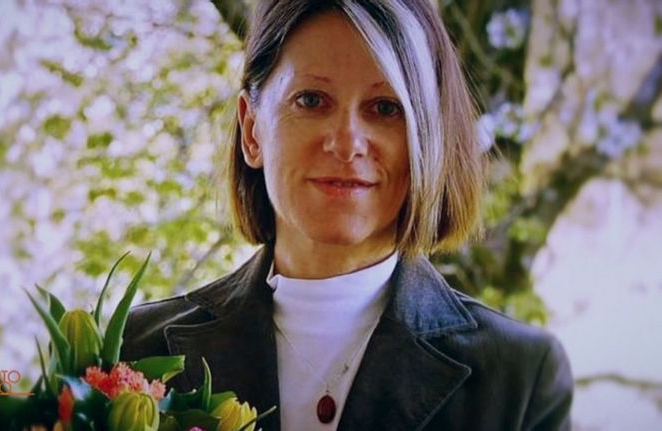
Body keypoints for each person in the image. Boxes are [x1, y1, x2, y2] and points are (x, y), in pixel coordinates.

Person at [122, 1, 573, 430]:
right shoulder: (136, 353)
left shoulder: (518, 379)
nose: (346, 143)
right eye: (311, 100)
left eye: (385, 108)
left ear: (427, 139)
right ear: (252, 130)